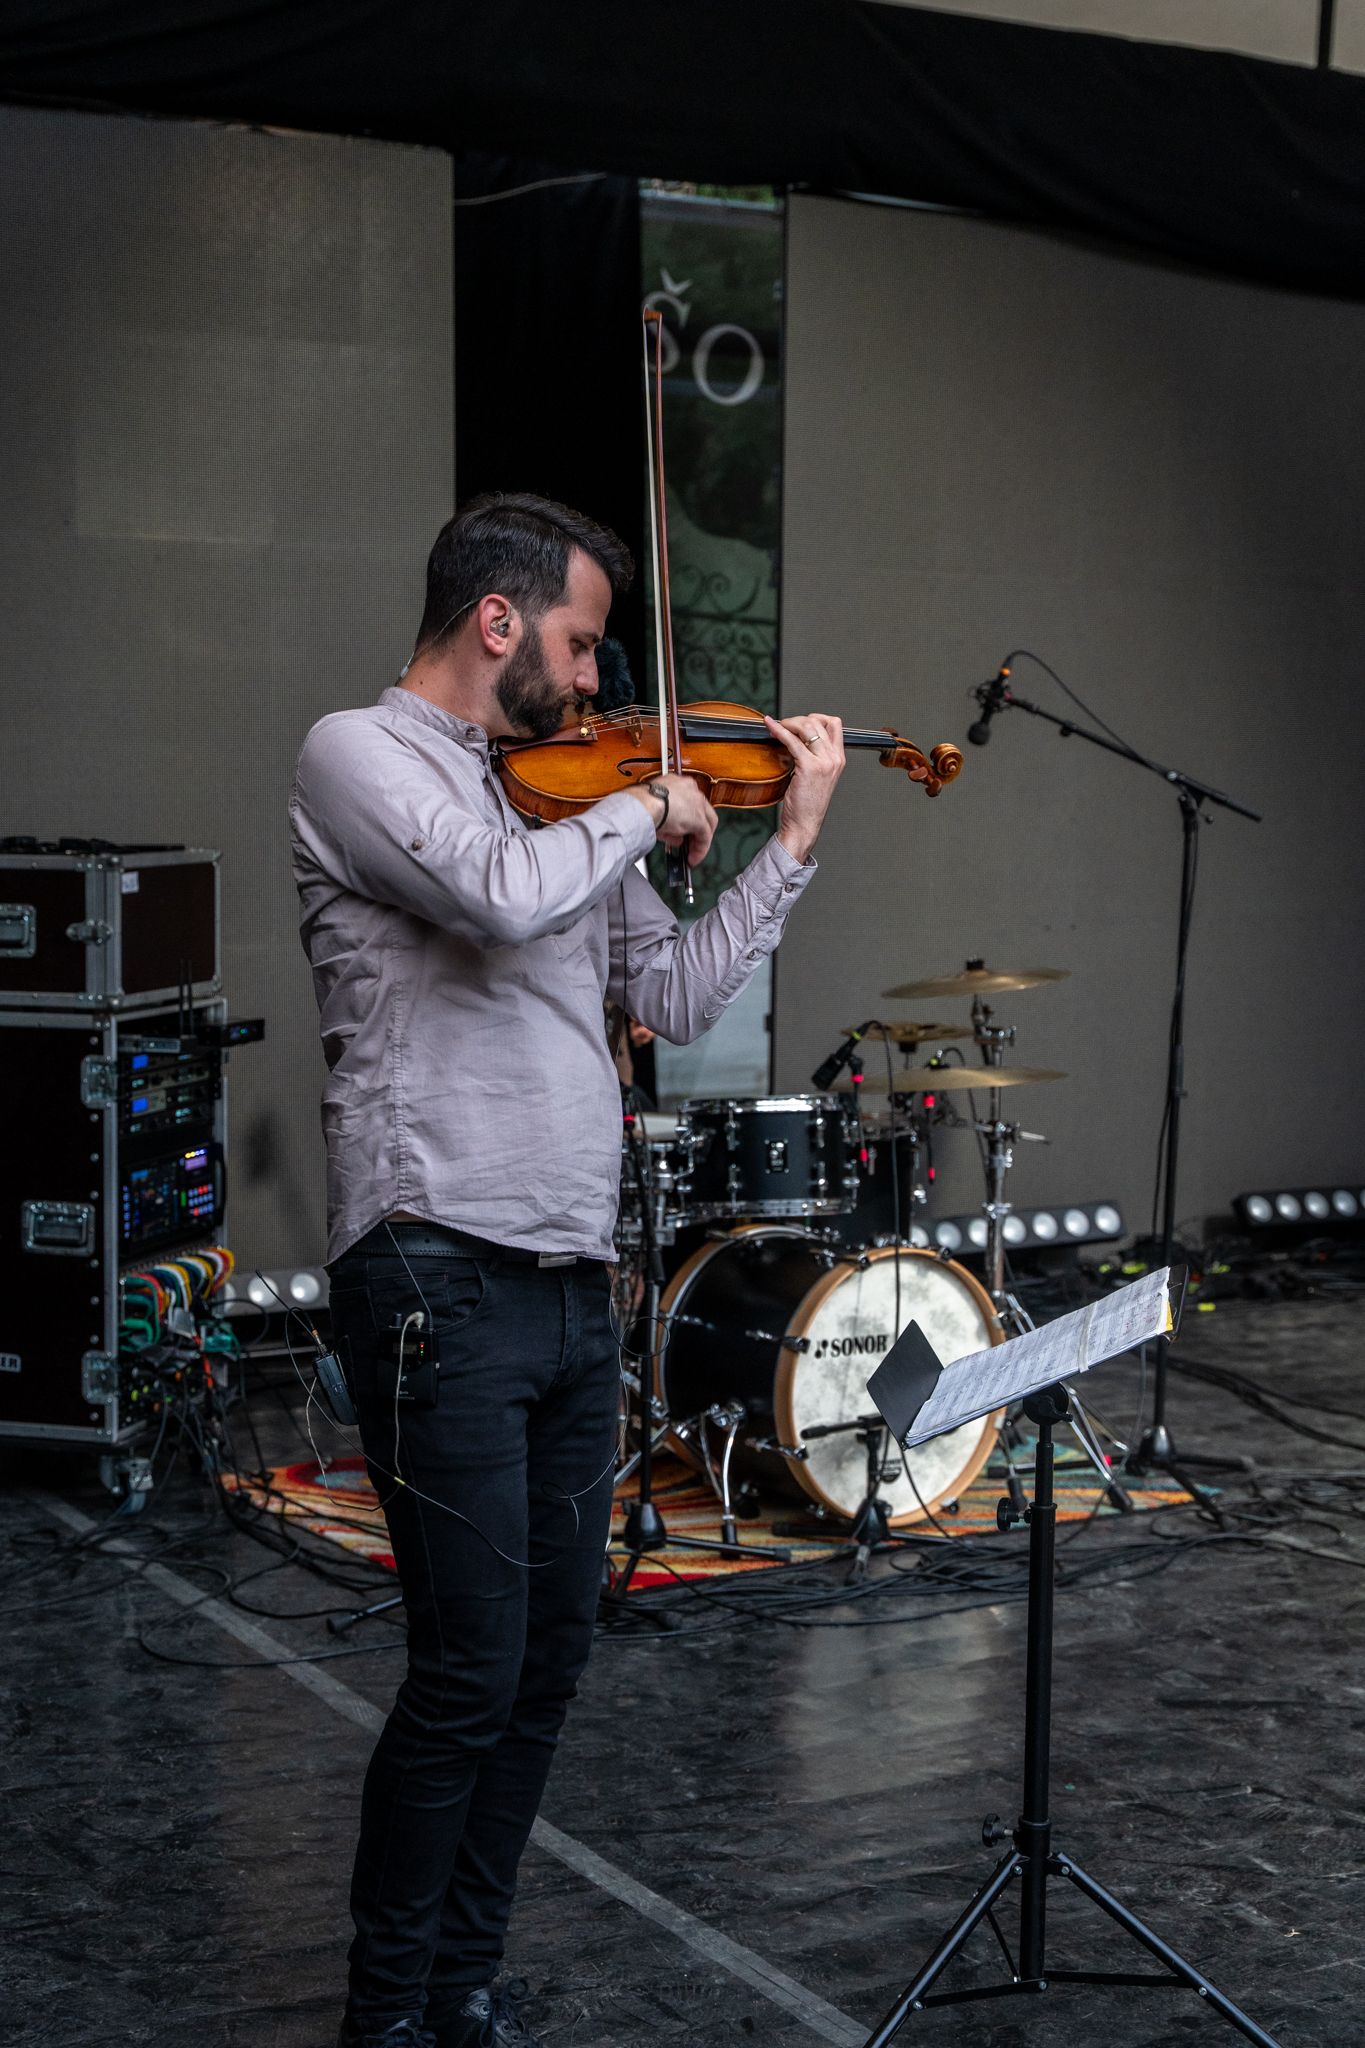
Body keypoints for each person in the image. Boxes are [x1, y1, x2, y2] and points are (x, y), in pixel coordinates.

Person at [290, 491, 845, 2048]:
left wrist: (785, 843)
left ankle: (458, 1986)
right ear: (497, 621)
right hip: (433, 1268)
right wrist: (638, 810)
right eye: (584, 643)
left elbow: (670, 993)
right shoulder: (361, 757)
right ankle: (384, 2016)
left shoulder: (562, 796)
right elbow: (491, 891)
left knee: (546, 1657)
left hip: (562, 1280)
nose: (597, 680)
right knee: (467, 1665)